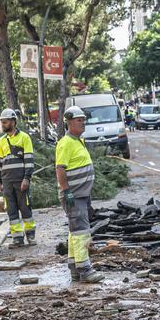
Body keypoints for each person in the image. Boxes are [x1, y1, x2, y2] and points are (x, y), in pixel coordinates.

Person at [55, 107, 103, 284]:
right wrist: (66, 190)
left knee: (75, 232)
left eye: (83, 119)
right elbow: (60, 168)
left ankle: (75, 268)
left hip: (80, 195)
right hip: (73, 195)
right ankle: (85, 270)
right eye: (79, 120)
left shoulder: (78, 140)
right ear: (69, 122)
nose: (83, 123)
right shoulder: (66, 142)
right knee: (81, 232)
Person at [0, 108, 36, 247]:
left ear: (13, 121)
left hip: (20, 180)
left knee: (25, 208)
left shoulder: (24, 137)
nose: (3, 124)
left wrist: (27, 178)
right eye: (2, 122)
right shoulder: (1, 141)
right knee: (11, 210)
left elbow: (29, 160)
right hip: (6, 182)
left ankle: (30, 235)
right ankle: (17, 238)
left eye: (5, 122)